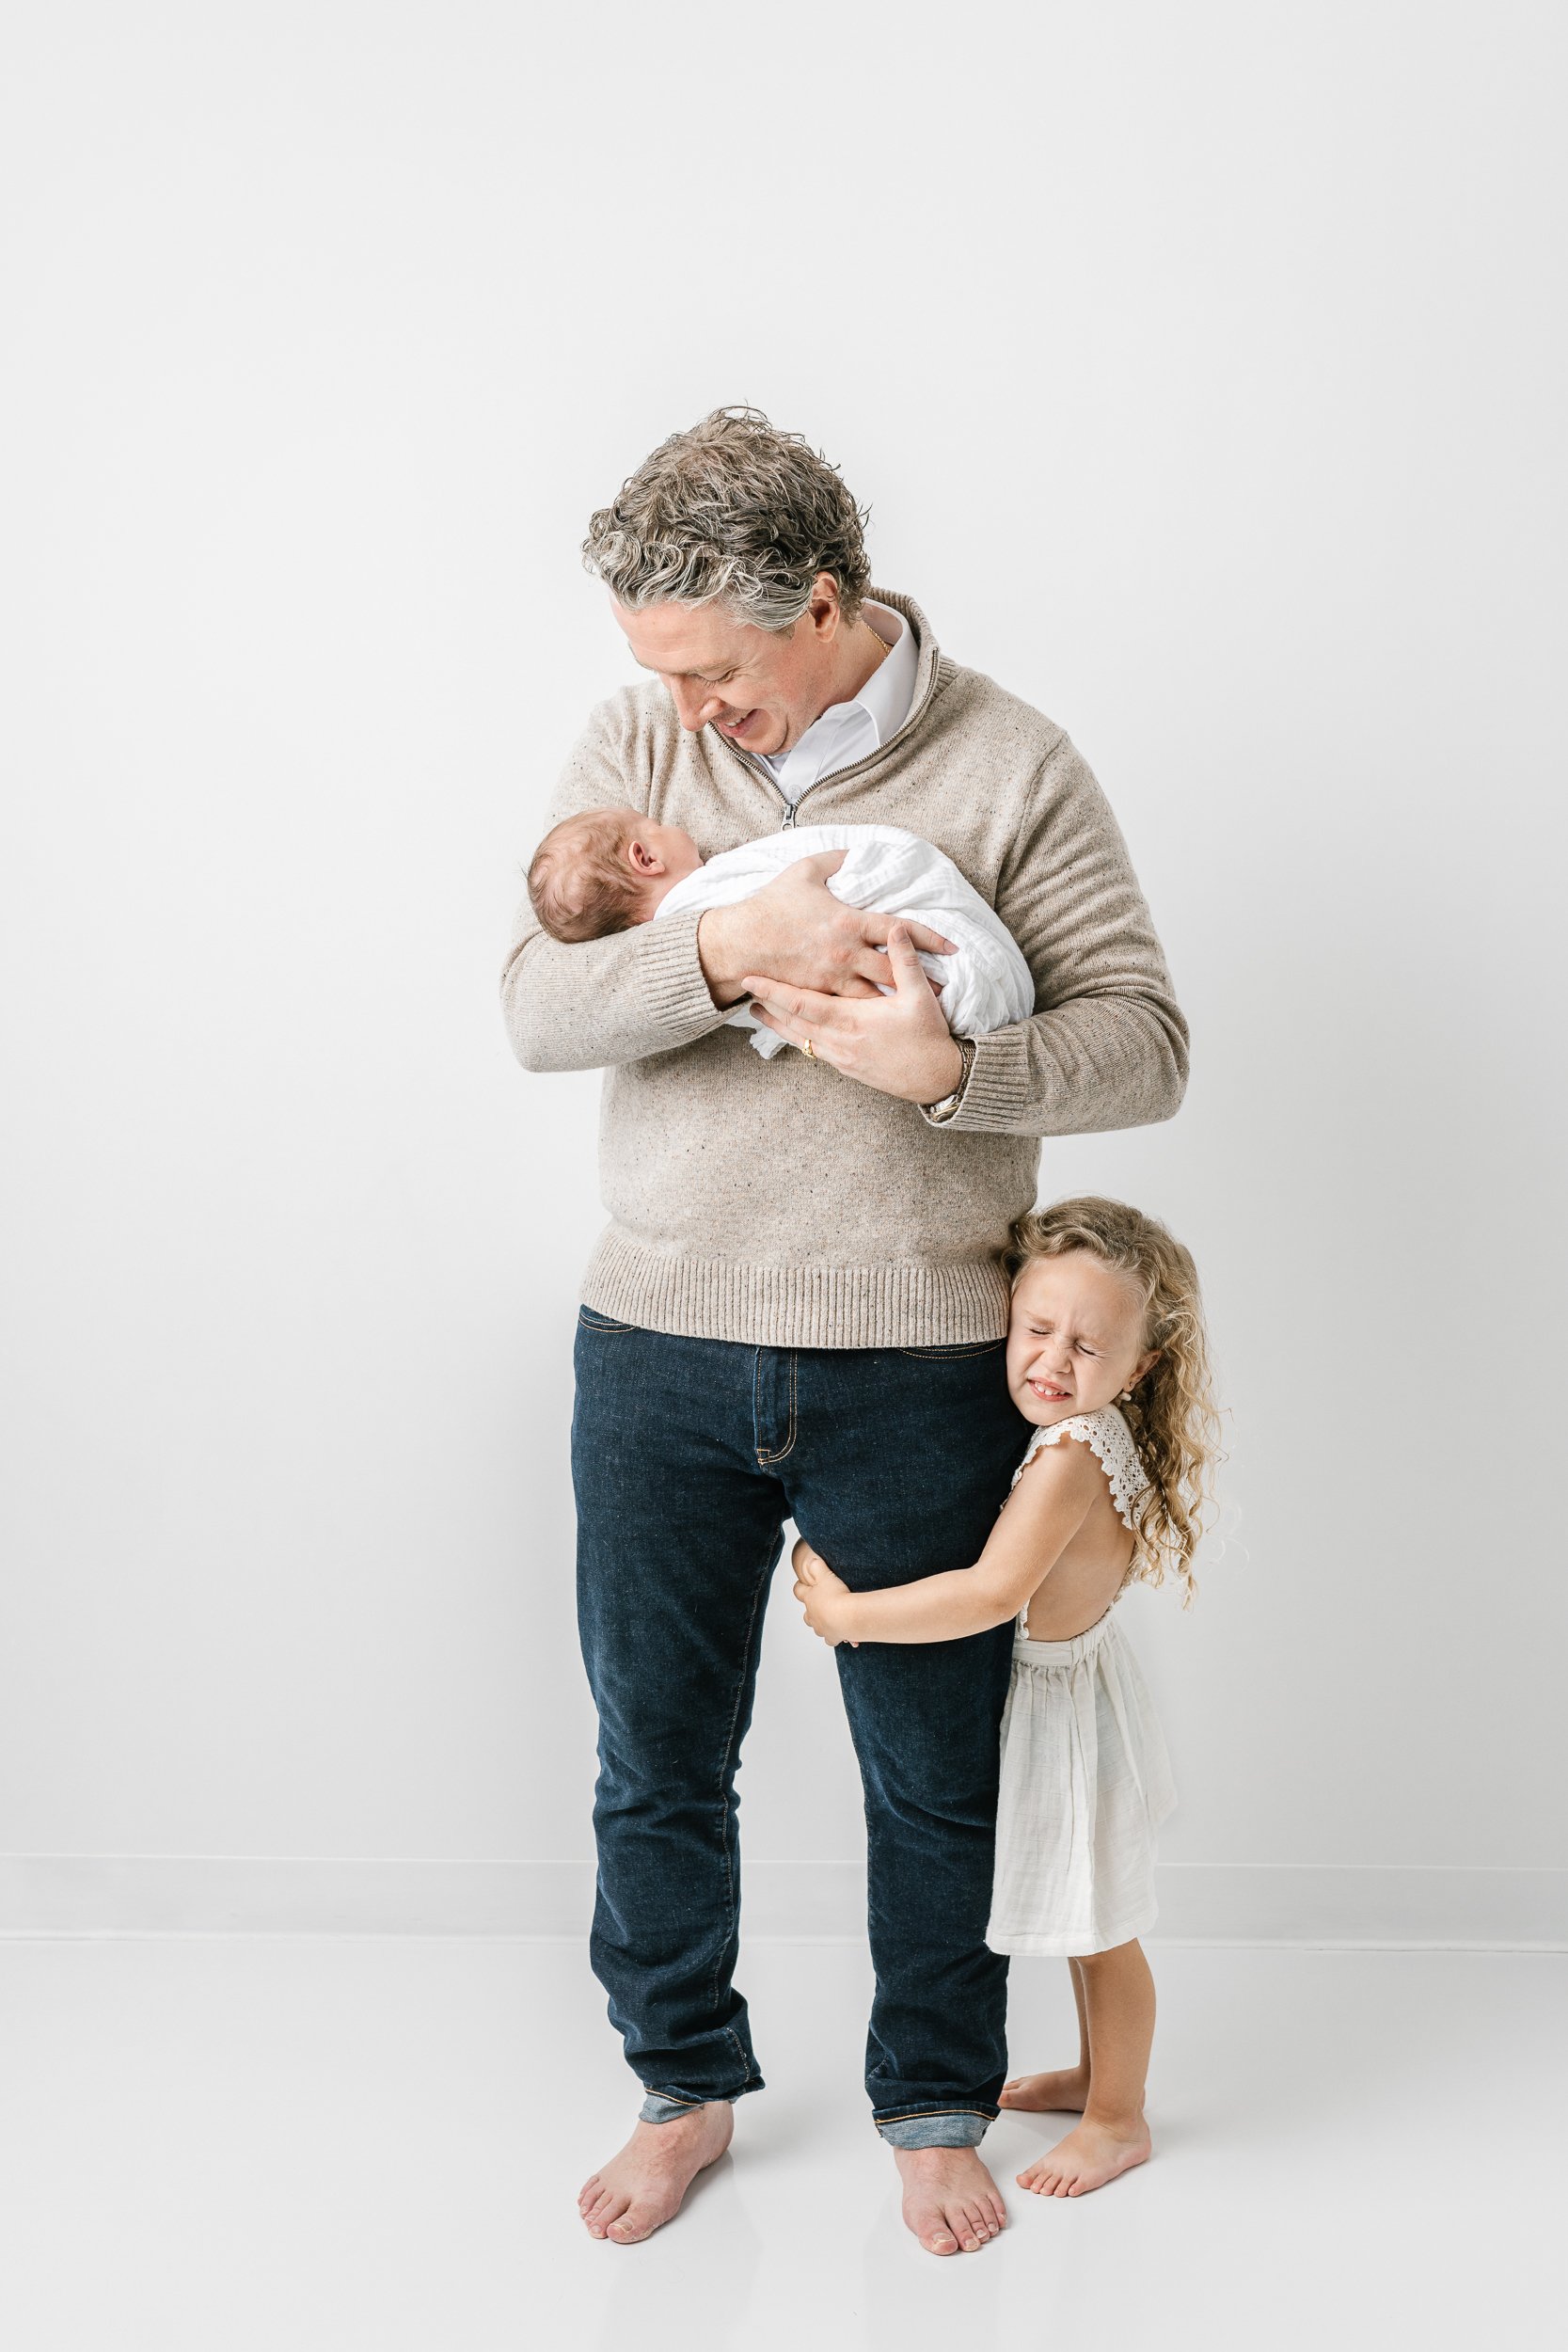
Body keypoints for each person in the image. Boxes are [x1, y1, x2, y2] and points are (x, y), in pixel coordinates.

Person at [499, 407, 1190, 2256]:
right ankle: (682, 2081)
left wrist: (955, 1068)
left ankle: (931, 2100)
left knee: (930, 1758)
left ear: (822, 599)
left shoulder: (1011, 759)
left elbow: (1143, 1038)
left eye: (716, 672)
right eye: (660, 676)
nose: (687, 714)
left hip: (915, 1356)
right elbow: (534, 1010)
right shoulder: (636, 738)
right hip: (655, 1331)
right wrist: (723, 953)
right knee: (655, 1747)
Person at [793, 1196, 1220, 2199]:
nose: (1051, 1362)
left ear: (1138, 1368)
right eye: (1035, 1330)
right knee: (1078, 1913)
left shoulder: (1070, 1454)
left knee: (1102, 1926)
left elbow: (989, 1591)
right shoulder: (1076, 1432)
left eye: (1086, 1345)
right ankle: (1091, 2075)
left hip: (1069, 1715)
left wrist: (846, 1610)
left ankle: (1119, 2119)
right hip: (1072, 1691)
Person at [524, 808, 1036, 1057]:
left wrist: (947, 1075)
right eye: (654, 822)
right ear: (646, 857)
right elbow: (533, 1018)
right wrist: (744, 940)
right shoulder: (710, 886)